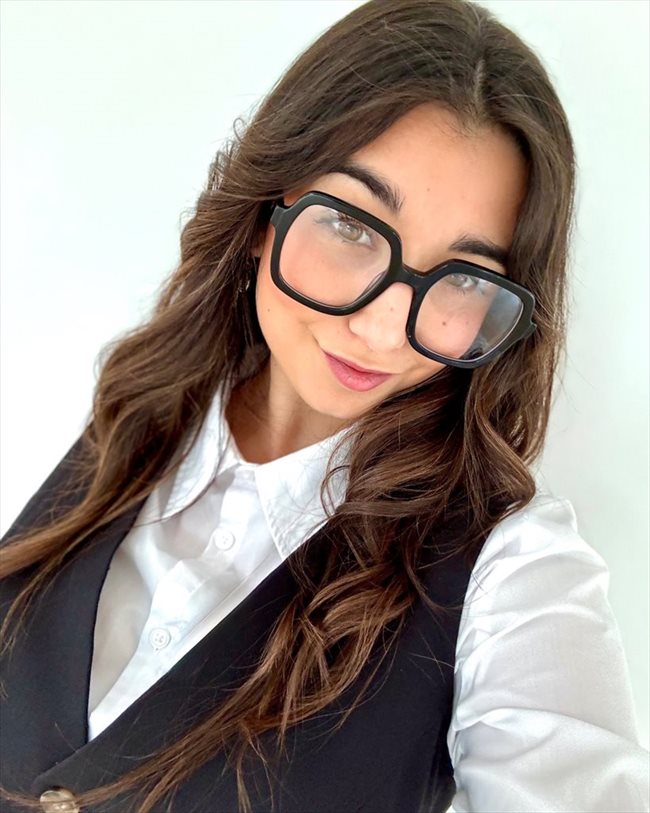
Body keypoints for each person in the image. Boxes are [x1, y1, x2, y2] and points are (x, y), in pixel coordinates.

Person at [1, 0, 648, 811]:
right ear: (263, 213)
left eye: (465, 277)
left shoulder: (511, 569)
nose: (383, 327)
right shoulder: (129, 419)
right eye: (351, 225)